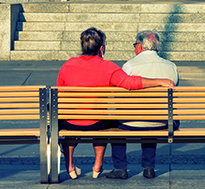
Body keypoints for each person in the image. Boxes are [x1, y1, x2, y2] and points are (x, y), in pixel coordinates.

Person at [57, 27, 175, 180]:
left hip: (70, 121)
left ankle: (70, 165)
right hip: (96, 122)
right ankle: (97, 166)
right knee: (108, 121)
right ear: (102, 48)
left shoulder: (68, 65)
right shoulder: (109, 67)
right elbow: (130, 82)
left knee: (67, 122)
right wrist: (159, 81)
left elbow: (60, 93)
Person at [106, 30, 179, 180]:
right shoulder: (171, 67)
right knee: (154, 115)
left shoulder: (130, 66)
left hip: (132, 121)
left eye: (134, 45)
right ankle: (148, 167)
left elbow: (121, 93)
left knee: (114, 123)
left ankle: (120, 168)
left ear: (139, 46)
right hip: (163, 121)